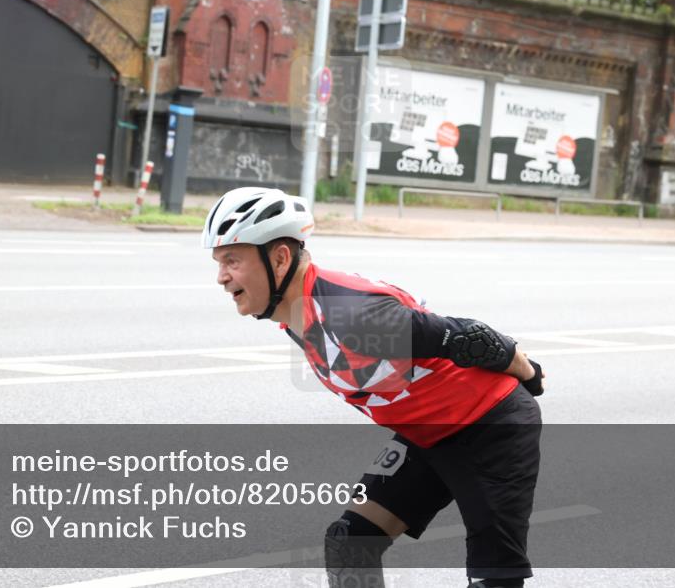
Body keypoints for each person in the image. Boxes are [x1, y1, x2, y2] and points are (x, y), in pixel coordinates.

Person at [204, 186, 545, 588]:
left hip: (492, 427)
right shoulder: (299, 314)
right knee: (350, 543)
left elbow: (469, 337)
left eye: (232, 260)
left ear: (279, 258)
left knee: (494, 578)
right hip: (428, 435)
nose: (221, 277)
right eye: (219, 262)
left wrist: (529, 373)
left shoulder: (349, 314)